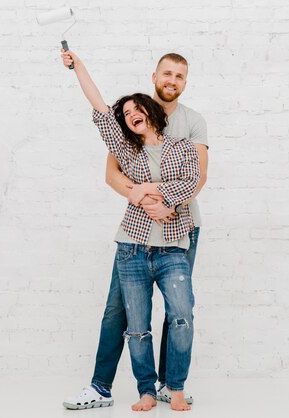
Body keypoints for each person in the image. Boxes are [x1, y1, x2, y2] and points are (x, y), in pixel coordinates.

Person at [62, 53, 208, 410]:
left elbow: (197, 177)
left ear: (185, 82)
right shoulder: (129, 135)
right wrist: (138, 195)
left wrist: (165, 203)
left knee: (179, 312)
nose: (172, 80)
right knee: (122, 312)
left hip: (180, 229)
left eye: (179, 76)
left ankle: (169, 385)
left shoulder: (190, 125)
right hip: (136, 237)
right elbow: (112, 170)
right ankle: (103, 386)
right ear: (155, 77)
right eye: (166, 74)